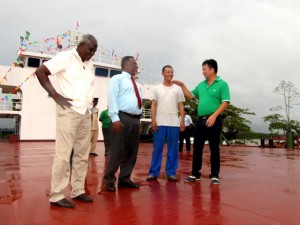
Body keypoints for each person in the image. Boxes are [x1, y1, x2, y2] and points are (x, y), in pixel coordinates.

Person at [35, 34, 98, 208]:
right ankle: (56, 195)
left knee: (82, 154)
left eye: (94, 50)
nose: (92, 53)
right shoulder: (65, 58)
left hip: (85, 113)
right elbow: (40, 71)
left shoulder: (89, 63)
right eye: (90, 49)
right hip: (69, 112)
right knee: (63, 155)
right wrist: (55, 95)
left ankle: (78, 190)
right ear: (82, 45)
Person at [173, 59, 230, 185]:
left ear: (212, 69)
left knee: (214, 148)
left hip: (214, 120)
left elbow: (225, 102)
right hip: (200, 121)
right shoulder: (201, 85)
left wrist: (214, 116)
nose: (202, 72)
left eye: (204, 69)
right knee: (197, 148)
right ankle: (195, 174)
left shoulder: (222, 84)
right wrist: (182, 85)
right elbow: (190, 96)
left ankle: (214, 175)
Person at [104, 56, 142, 192]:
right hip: (122, 118)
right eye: (134, 64)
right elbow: (112, 97)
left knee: (132, 152)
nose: (136, 66)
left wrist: (139, 120)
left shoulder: (137, 83)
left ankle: (125, 178)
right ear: (126, 65)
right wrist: (115, 118)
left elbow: (138, 103)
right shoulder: (117, 79)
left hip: (135, 119)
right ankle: (109, 179)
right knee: (117, 151)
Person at [146, 65, 185, 182]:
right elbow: (153, 105)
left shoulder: (177, 89)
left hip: (174, 123)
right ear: (162, 74)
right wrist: (153, 120)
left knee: (173, 149)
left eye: (171, 72)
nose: (170, 74)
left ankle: (171, 172)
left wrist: (182, 120)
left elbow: (181, 105)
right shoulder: (156, 88)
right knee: (157, 148)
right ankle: (153, 172)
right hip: (160, 122)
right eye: (167, 72)